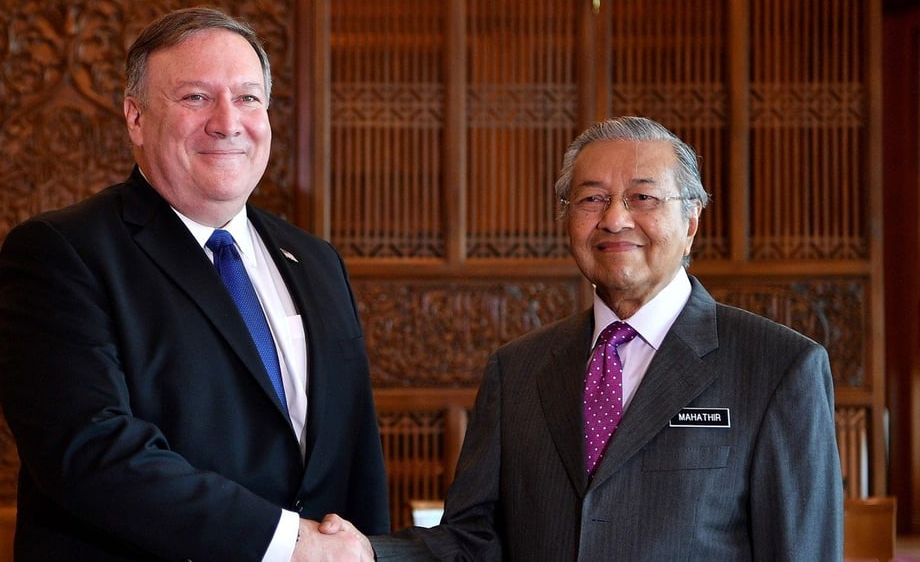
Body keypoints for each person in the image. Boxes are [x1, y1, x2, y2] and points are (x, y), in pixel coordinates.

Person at [342, 115, 844, 560]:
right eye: (592, 199)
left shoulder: (779, 367)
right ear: (567, 219)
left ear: (691, 221)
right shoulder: (517, 370)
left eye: (642, 197)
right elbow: (473, 541)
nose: (615, 218)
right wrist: (366, 553)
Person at [0, 6, 386, 561]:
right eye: (196, 97)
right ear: (135, 118)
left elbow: (355, 455)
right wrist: (287, 544)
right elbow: (90, 453)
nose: (228, 122)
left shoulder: (317, 262)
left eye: (248, 97)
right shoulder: (63, 253)